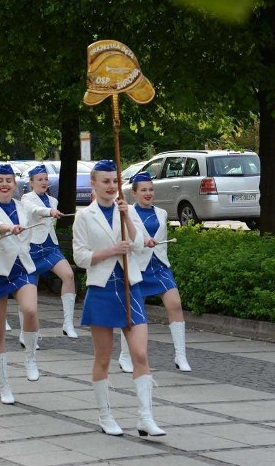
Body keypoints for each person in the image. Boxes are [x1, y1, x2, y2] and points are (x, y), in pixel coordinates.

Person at [72, 160, 165, 437]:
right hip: (101, 288)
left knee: (139, 353)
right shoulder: (84, 216)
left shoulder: (127, 209)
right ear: (94, 183)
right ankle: (105, 415)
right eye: (105, 182)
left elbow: (138, 247)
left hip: (129, 285)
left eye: (114, 181)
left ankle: (145, 417)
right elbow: (80, 257)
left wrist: (127, 218)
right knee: (103, 357)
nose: (111, 187)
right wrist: (111, 250)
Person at [0, 164, 61, 404]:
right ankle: (4, 386)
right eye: (0, 180)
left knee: (30, 310)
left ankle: (30, 358)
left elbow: (38, 210)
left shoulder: (24, 206)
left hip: (22, 268)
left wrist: (50, 212)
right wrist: (8, 228)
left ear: (15, 184)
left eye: (9, 181)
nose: (4, 184)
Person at [119, 171, 191, 372]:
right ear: (134, 193)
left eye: (151, 189)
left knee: (175, 305)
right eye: (143, 190)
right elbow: (128, 239)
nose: (148, 193)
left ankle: (180, 355)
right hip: (138, 268)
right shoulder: (127, 213)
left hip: (160, 266)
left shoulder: (162, 213)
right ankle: (125, 356)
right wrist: (142, 241)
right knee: (133, 315)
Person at [21, 165, 79, 339]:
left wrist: (52, 210)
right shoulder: (26, 198)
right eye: (40, 179)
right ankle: (27, 333)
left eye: (46, 179)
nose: (44, 182)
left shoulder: (53, 200)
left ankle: (68, 323)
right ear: (31, 182)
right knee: (30, 292)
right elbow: (34, 210)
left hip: (50, 246)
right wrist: (49, 212)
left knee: (68, 275)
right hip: (32, 248)